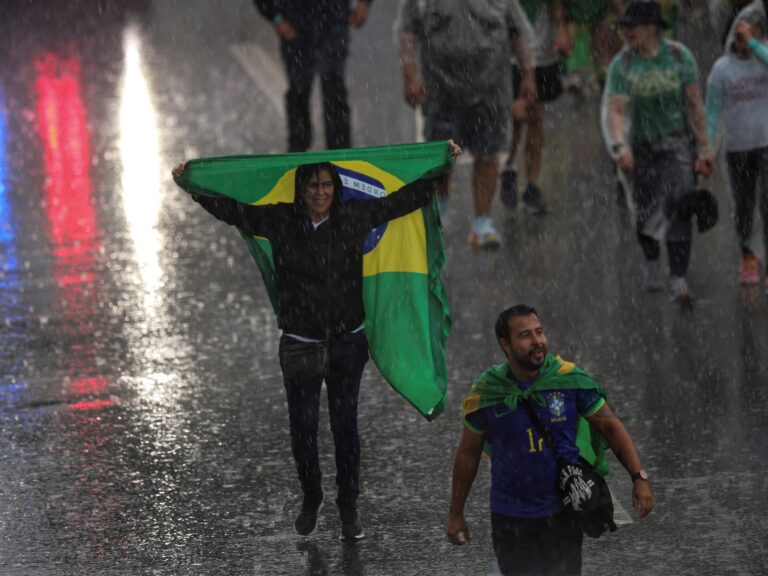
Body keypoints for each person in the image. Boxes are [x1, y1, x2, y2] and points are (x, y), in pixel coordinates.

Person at [172, 141, 461, 541]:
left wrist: (441, 164)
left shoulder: (355, 216)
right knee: (302, 430)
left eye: (327, 185)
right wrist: (193, 184)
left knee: (346, 429)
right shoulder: (279, 221)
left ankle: (349, 509)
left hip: (348, 344)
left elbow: (404, 199)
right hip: (300, 344)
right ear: (300, 189)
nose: (320, 193)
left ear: (336, 187)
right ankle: (313, 496)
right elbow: (233, 211)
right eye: (312, 186)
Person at [446, 305, 654, 576]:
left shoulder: (567, 379)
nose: (537, 342)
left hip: (563, 513)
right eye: (526, 335)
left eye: (540, 332)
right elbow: (468, 453)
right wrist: (456, 513)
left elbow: (610, 426)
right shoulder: (488, 392)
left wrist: (639, 477)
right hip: (510, 517)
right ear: (505, 344)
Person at [396, 0, 536, 248]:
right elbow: (407, 29)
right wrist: (409, 74)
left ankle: (482, 223)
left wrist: (528, 75)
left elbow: (520, 31)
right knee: (440, 157)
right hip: (441, 92)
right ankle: (437, 212)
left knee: (488, 156)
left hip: (490, 90)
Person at [605, 0, 713, 307]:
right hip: (642, 147)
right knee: (646, 210)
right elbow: (615, 110)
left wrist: (704, 148)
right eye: (623, 26)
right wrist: (620, 147)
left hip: (677, 145)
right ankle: (652, 259)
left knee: (680, 208)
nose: (626, 31)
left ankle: (679, 275)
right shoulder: (623, 64)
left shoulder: (679, 57)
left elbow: (694, 105)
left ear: (652, 27)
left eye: (632, 26)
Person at [253, 0, 371, 152]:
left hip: (333, 19)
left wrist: (364, 3)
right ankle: (298, 153)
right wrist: (276, 17)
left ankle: (340, 157)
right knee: (299, 90)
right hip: (295, 22)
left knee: (334, 89)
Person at [707, 6, 768, 289]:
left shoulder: (763, 58)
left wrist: (755, 45)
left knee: (767, 204)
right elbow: (712, 112)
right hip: (737, 149)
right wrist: (708, 149)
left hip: (765, 145)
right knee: (744, 206)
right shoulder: (722, 69)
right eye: (740, 32)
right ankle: (748, 256)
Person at [501, 0, 572, 216]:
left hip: (544, 52)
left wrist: (563, 31)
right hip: (516, 55)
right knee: (518, 117)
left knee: (534, 116)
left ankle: (531, 185)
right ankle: (508, 167)